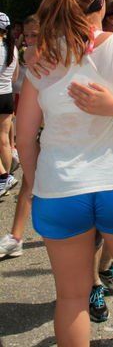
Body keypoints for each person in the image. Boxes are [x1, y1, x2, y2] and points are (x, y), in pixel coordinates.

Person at [16, 0, 113, 346]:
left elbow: (24, 138)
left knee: (72, 299)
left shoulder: (42, 59)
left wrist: (36, 184)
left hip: (59, 188)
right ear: (101, 1)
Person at [0, 15, 40, 258]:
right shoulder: (27, 57)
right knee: (28, 183)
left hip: (65, 139)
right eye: (27, 36)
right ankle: (15, 237)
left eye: (35, 35)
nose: (29, 40)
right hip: (41, 134)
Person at [0, 12, 19, 197]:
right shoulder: (13, 48)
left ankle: (3, 177)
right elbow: (15, 76)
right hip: (7, 95)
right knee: (4, 139)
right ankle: (5, 179)